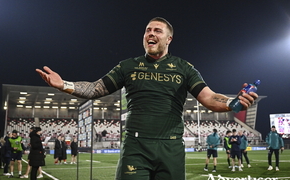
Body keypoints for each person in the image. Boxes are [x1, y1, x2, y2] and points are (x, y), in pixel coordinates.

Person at [36, 17, 258, 179]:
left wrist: (231, 102)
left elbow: (208, 98)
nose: (151, 33)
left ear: (169, 38)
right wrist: (64, 84)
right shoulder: (127, 66)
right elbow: (96, 89)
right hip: (136, 146)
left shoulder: (184, 68)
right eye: (148, 30)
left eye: (157, 31)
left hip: (171, 148)